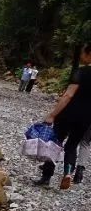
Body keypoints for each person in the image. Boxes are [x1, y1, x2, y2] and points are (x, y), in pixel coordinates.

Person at [33, 42, 91, 189]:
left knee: (56, 142)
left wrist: (52, 114)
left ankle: (46, 177)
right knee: (72, 146)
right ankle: (68, 173)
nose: (82, 55)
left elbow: (68, 95)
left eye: (83, 52)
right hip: (85, 118)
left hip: (68, 114)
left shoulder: (81, 72)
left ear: (89, 54)